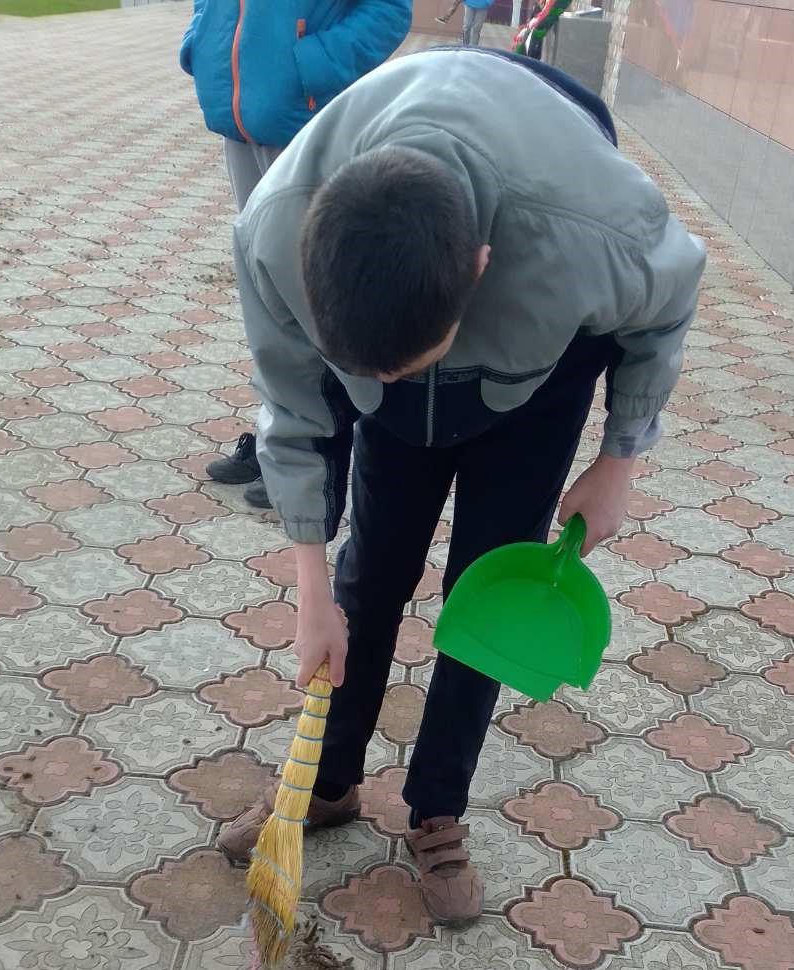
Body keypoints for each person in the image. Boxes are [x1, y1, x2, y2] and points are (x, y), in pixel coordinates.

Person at [217, 48, 705, 923]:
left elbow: (667, 309)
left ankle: (436, 807)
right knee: (367, 578)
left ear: (479, 266)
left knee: (489, 588)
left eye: (406, 366)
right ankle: (327, 782)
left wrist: (618, 460)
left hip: (535, 385)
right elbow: (292, 411)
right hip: (397, 375)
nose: (392, 384)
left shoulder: (598, 228)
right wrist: (309, 588)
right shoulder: (271, 228)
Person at [180, 0, 413, 509]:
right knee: (265, 295)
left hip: (302, 124)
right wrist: (202, 43)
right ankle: (277, 442)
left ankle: (313, 452)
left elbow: (391, 10)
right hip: (239, 115)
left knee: (311, 297)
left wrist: (310, 64)